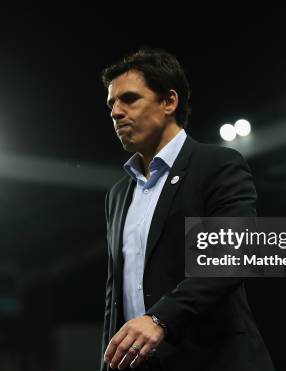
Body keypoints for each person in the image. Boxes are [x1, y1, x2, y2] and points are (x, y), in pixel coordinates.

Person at [100, 48, 274, 371]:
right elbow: (115, 301)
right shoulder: (117, 195)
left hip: (214, 360)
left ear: (169, 101)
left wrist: (159, 319)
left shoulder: (217, 165)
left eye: (129, 99)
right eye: (112, 104)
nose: (116, 112)